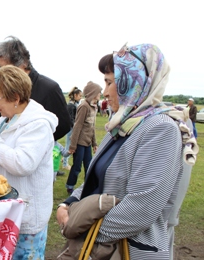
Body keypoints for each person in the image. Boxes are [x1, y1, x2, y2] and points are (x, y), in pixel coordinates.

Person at [56, 43, 198, 259]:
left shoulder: (161, 128)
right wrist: (69, 203)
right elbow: (96, 180)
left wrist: (86, 233)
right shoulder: (124, 124)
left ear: (132, 82)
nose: (104, 92)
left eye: (109, 82)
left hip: (131, 251)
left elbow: (142, 208)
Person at [0, 65, 58, 259]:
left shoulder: (38, 125)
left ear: (15, 98)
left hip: (27, 215)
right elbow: (3, 151)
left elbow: (22, 163)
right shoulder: (7, 119)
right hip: (10, 209)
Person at [0, 36, 70, 141]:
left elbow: (63, 126)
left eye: (5, 68)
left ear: (23, 64)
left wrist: (35, 142)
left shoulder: (49, 88)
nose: (1, 72)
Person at [65, 81, 101, 194]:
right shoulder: (84, 106)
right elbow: (77, 126)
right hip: (79, 143)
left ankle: (88, 186)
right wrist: (73, 145)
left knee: (89, 166)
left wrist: (94, 143)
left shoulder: (93, 107)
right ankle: (70, 185)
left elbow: (92, 127)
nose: (101, 94)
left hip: (87, 143)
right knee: (77, 166)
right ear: (93, 93)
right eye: (99, 92)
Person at [62, 87, 83, 170]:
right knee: (69, 145)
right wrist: (75, 127)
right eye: (80, 96)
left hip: (72, 128)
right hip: (71, 128)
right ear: (75, 95)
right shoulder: (71, 105)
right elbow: (71, 119)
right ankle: (65, 164)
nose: (81, 97)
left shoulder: (73, 104)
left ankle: (64, 159)